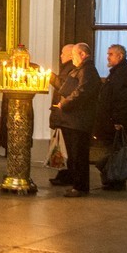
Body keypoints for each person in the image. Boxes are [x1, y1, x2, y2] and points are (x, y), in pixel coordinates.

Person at [50, 42, 101, 197]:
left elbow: (82, 91)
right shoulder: (79, 69)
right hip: (73, 120)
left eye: (74, 55)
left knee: (79, 155)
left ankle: (80, 187)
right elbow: (68, 88)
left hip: (79, 120)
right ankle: (76, 184)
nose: (72, 58)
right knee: (74, 154)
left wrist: (64, 103)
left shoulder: (88, 70)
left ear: (83, 54)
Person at [95, 43, 127, 191]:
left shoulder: (122, 73)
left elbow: (122, 99)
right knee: (113, 151)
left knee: (114, 152)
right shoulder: (118, 71)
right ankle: (113, 180)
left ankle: (115, 180)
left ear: (120, 56)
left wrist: (118, 120)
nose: (107, 57)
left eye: (111, 54)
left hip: (115, 121)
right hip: (111, 120)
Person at [46, 43, 77, 180]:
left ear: (70, 54)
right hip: (62, 114)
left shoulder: (71, 69)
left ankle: (68, 174)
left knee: (67, 147)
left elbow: (64, 87)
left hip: (66, 115)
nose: (60, 56)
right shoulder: (68, 68)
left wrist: (50, 77)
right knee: (64, 145)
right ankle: (65, 174)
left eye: (63, 53)